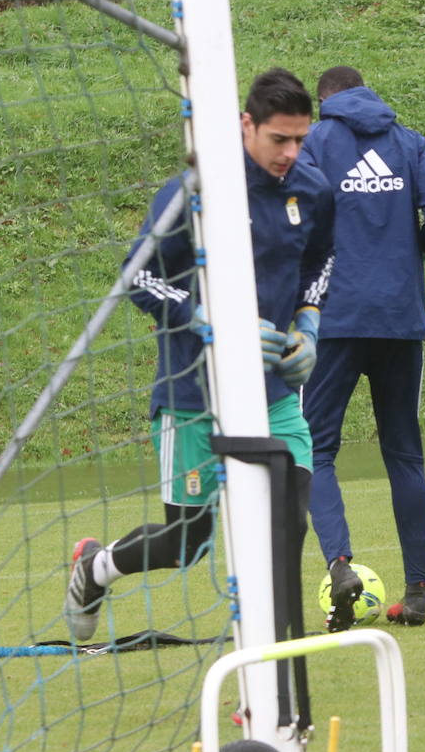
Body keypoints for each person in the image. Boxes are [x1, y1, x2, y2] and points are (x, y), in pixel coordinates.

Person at [63, 68, 335, 642]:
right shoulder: (195, 192)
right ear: (246, 125)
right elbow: (137, 276)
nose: (291, 152)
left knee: (291, 519)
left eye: (300, 139)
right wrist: (206, 321)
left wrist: (308, 324)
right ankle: (96, 566)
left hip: (274, 395)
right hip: (193, 395)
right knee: (187, 541)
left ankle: (276, 656)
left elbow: (320, 261)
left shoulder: (310, 190)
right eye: (278, 139)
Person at [296, 65, 425, 631]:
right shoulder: (410, 143)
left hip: (333, 319)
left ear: (325, 103)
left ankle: (340, 563)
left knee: (316, 448)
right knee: (404, 452)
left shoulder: (314, 143)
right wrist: (406, 251)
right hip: (399, 319)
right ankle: (417, 590)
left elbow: (294, 217)